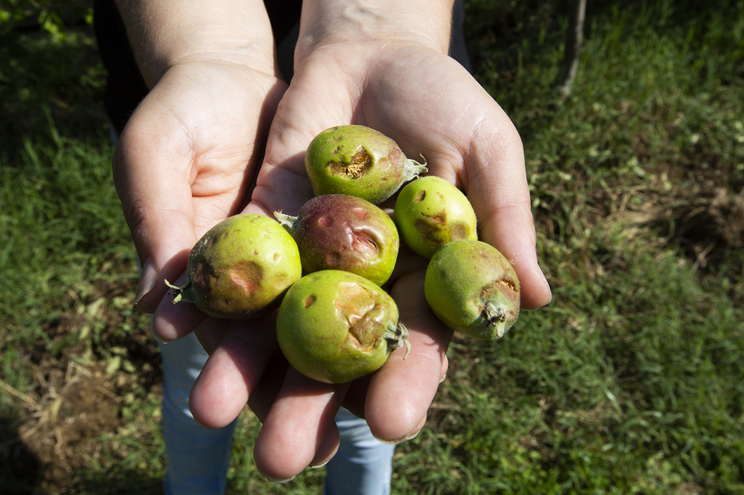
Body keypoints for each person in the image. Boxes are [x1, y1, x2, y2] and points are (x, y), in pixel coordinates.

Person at [93, 0, 552, 493]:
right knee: (199, 357)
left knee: (367, 400)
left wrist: (382, 25)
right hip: (192, 87)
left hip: (386, 47)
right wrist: (207, 49)